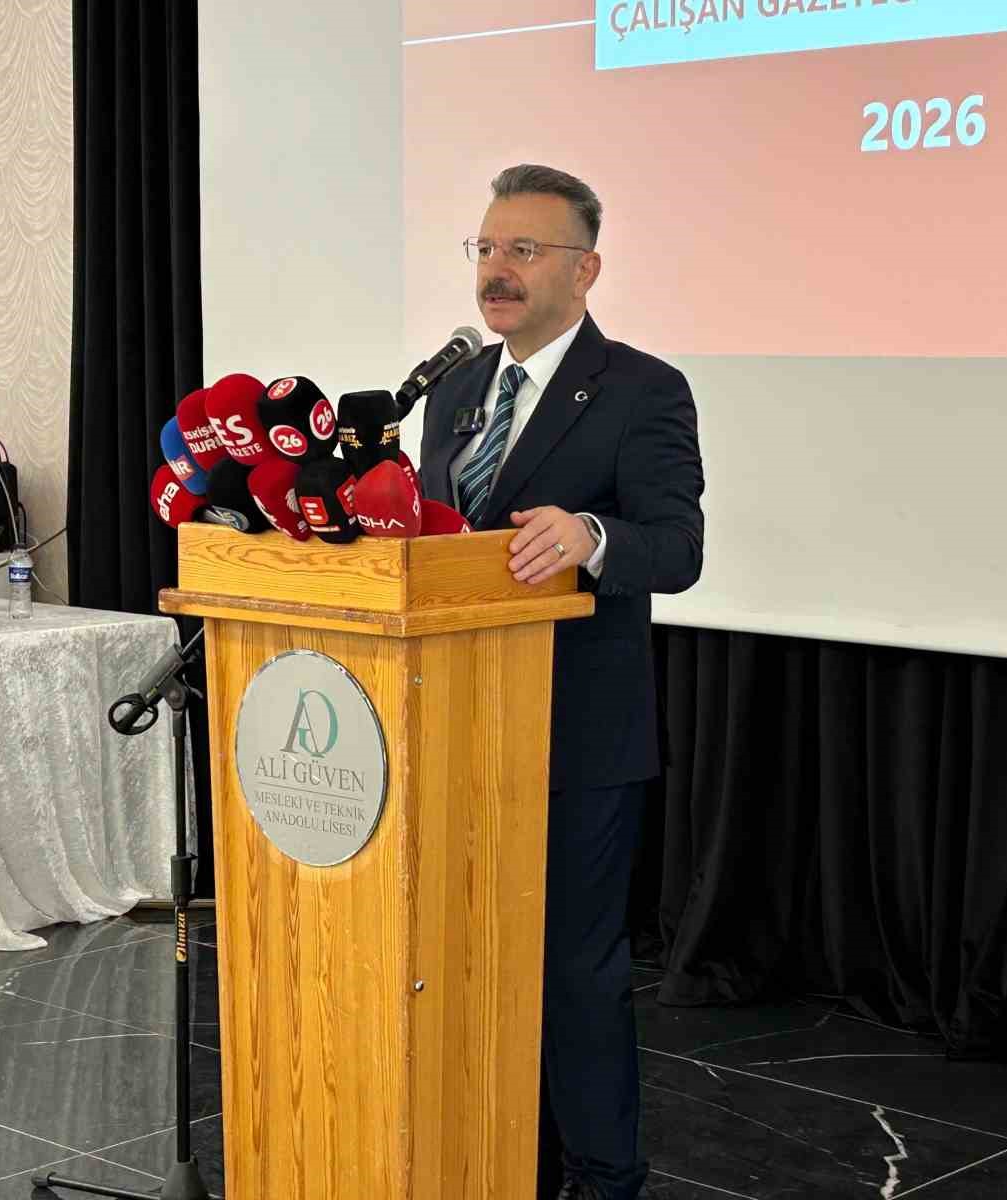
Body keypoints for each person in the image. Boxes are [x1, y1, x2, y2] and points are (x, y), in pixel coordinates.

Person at [419, 165, 705, 1200]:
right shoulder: (452, 391)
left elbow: (678, 549)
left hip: (577, 738)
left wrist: (591, 536)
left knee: (575, 976)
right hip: (456, 725)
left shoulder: (641, 389)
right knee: (468, 962)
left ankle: (603, 1176)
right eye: (487, 248)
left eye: (525, 251)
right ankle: (502, 1159)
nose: (497, 270)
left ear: (585, 271)